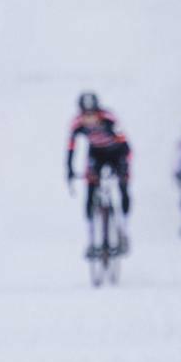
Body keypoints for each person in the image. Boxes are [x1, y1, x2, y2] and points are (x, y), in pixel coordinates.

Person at [66, 92, 132, 257]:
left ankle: (123, 229)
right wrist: (69, 170)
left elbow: (124, 143)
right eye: (85, 115)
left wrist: (124, 166)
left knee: (123, 187)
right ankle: (91, 239)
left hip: (117, 153)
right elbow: (71, 148)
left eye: (92, 114)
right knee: (90, 190)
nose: (89, 119)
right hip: (96, 154)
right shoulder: (77, 123)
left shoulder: (109, 119)